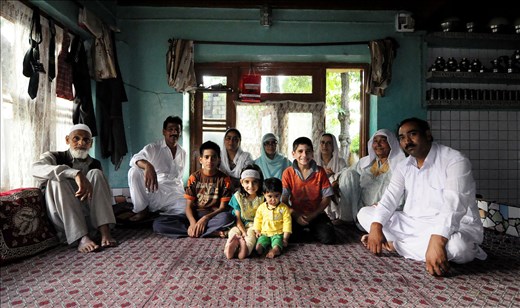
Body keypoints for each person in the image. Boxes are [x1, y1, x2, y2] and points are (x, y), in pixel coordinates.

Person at [358, 117, 487, 277]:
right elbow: (390, 199)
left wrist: (438, 239)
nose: (407, 141)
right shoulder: (403, 166)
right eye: (402, 138)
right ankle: (421, 246)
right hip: (413, 224)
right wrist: (376, 226)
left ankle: (397, 246)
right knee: (365, 214)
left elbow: (454, 203)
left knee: (459, 248)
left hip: (454, 225)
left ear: (427, 135)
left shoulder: (455, 160)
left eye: (412, 134)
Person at [32, 124, 117, 253]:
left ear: (91, 143)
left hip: (89, 218)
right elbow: (35, 168)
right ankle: (82, 237)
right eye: (76, 139)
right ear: (67, 140)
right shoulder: (54, 157)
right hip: (66, 221)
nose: (81, 143)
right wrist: (73, 173)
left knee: (96, 173)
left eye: (86, 140)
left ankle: (104, 231)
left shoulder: (95, 163)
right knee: (57, 180)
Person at [152, 141, 234, 238]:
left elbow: (222, 208)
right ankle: (206, 231)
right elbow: (188, 207)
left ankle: (195, 231)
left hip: (213, 216)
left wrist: (205, 218)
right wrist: (192, 223)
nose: (210, 160)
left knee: (228, 218)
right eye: (206, 157)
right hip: (195, 214)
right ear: (201, 160)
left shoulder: (224, 179)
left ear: (219, 160)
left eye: (214, 157)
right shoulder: (194, 178)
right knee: (158, 224)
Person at [337, 129, 405, 227]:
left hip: (384, 209)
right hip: (362, 206)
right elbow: (347, 172)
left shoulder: (400, 164)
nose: (378, 144)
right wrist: (336, 180)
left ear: (391, 143)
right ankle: (346, 218)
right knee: (348, 174)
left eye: (383, 140)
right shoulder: (366, 162)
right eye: (375, 141)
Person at [127, 116, 186, 221]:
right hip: (155, 191)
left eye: (177, 130)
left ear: (180, 132)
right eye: (170, 129)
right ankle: (142, 210)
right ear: (164, 132)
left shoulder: (182, 152)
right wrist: (148, 166)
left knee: (187, 210)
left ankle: (159, 214)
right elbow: (134, 159)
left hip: (175, 194)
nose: (174, 132)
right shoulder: (153, 148)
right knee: (134, 171)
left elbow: (179, 178)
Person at [282, 137, 336, 244]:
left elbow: (327, 198)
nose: (304, 155)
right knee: (288, 236)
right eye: (300, 151)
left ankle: (309, 230)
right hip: (296, 214)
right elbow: (283, 200)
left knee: (329, 237)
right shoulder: (287, 173)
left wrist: (313, 215)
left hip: (316, 214)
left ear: (312, 153)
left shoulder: (320, 172)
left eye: (308, 151)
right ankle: (308, 231)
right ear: (293, 154)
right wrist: (295, 215)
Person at [224, 164, 265, 259]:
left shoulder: (263, 198)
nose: (250, 186)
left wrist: (248, 233)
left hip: (254, 225)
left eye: (254, 182)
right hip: (239, 224)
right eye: (247, 182)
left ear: (259, 183)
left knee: (251, 237)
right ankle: (229, 249)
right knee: (233, 233)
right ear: (242, 182)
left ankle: (245, 249)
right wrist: (242, 232)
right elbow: (237, 218)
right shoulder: (238, 197)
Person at [253, 177, 292, 259]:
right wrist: (257, 231)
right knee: (260, 243)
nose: (273, 199)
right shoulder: (261, 207)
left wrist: (285, 238)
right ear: (264, 194)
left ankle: (275, 250)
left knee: (277, 243)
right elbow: (257, 220)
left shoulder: (284, 208)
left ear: (281, 194)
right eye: (270, 196)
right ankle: (260, 248)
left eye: (276, 196)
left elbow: (287, 223)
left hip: (278, 233)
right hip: (264, 233)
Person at [314, 133, 347, 224]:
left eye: (329, 143)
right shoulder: (313, 161)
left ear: (333, 146)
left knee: (333, 180)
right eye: (322, 142)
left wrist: (334, 176)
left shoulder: (340, 162)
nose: (325, 146)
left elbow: (345, 177)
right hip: (317, 189)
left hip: (336, 190)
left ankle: (336, 216)